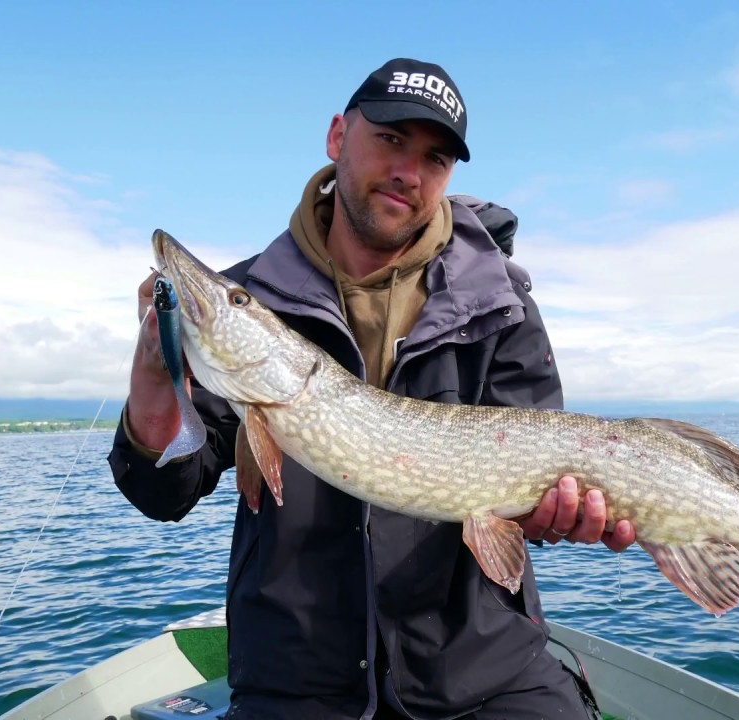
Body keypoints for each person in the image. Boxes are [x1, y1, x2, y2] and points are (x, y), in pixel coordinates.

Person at [108, 57, 637, 720]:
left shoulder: (501, 306)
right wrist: (153, 369)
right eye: (390, 139)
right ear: (337, 137)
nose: (408, 173)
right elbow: (163, 492)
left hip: (480, 667)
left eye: (435, 158)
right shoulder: (256, 299)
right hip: (296, 676)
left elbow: (525, 492)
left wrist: (548, 512)